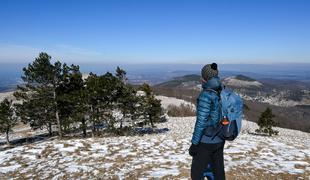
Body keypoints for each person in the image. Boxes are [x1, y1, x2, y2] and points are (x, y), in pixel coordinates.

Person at [189, 63, 225, 180]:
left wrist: (194, 144)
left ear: (205, 78)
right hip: (220, 139)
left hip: (206, 141)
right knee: (218, 172)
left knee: (197, 173)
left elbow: (201, 122)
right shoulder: (221, 90)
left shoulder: (206, 95)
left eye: (202, 76)